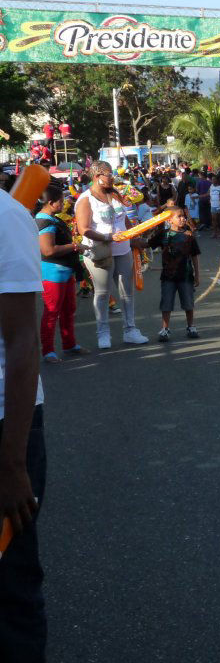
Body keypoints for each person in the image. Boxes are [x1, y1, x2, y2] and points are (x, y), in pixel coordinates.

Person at [0, 183, 48, 662]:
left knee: (11, 587)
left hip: (7, 432)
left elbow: (22, 344)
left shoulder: (7, 219)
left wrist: (13, 465)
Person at [74, 161, 149, 349]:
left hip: (123, 250)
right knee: (102, 293)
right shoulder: (85, 199)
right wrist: (107, 237)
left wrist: (134, 237)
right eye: (108, 174)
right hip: (100, 252)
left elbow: (124, 219)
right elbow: (83, 229)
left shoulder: (115, 194)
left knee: (127, 292)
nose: (112, 177)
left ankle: (130, 330)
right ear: (97, 176)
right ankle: (103, 334)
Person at [36, 184, 84, 362]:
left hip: (65, 271)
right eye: (61, 201)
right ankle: (48, 350)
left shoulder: (52, 218)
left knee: (68, 309)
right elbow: (48, 250)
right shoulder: (44, 221)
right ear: (50, 202)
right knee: (52, 312)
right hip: (53, 273)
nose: (64, 204)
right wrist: (74, 246)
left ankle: (69, 344)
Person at [149, 206, 201, 342]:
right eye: (179, 216)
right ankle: (165, 329)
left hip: (186, 275)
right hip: (168, 276)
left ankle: (191, 326)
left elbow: (195, 256)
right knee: (166, 303)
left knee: (188, 303)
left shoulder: (189, 235)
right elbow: (148, 244)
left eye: (184, 216)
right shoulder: (164, 234)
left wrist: (197, 275)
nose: (183, 218)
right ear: (170, 220)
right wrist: (131, 241)